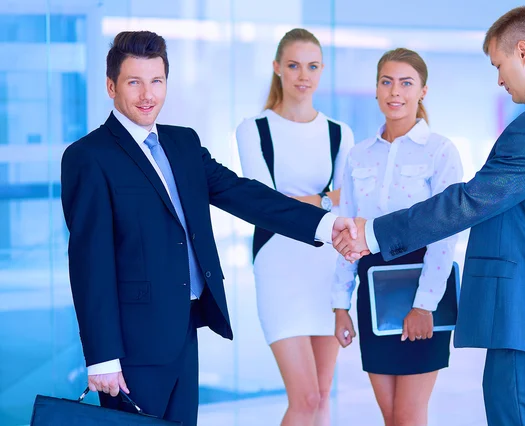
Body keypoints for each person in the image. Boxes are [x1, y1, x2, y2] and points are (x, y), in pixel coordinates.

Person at [60, 30, 356, 426]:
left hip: (184, 330)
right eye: (134, 82)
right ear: (111, 86)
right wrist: (102, 357)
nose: (148, 94)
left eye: (157, 81)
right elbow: (89, 266)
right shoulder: (88, 157)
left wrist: (327, 224)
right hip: (131, 347)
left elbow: (247, 196)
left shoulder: (182, 144)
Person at [334, 6, 525, 426]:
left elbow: (470, 201)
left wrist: (376, 233)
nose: (499, 78)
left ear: (524, 52)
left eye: (499, 64)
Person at [331, 48, 463, 426]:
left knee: (407, 417)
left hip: (424, 289)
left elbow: (445, 234)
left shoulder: (440, 151)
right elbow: (347, 232)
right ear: (375, 90)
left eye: (406, 83)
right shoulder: (358, 155)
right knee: (391, 418)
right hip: (372, 293)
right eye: (386, 82)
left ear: (422, 91)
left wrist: (425, 305)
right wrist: (340, 303)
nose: (395, 92)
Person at [236, 28, 354, 426]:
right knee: (304, 398)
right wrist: (324, 200)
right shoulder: (254, 129)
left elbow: (349, 202)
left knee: (321, 397)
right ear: (277, 68)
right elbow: (261, 204)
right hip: (278, 266)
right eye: (294, 65)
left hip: (325, 267)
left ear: (322, 71)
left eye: (313, 66)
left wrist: (297, 202)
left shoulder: (340, 133)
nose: (303, 75)